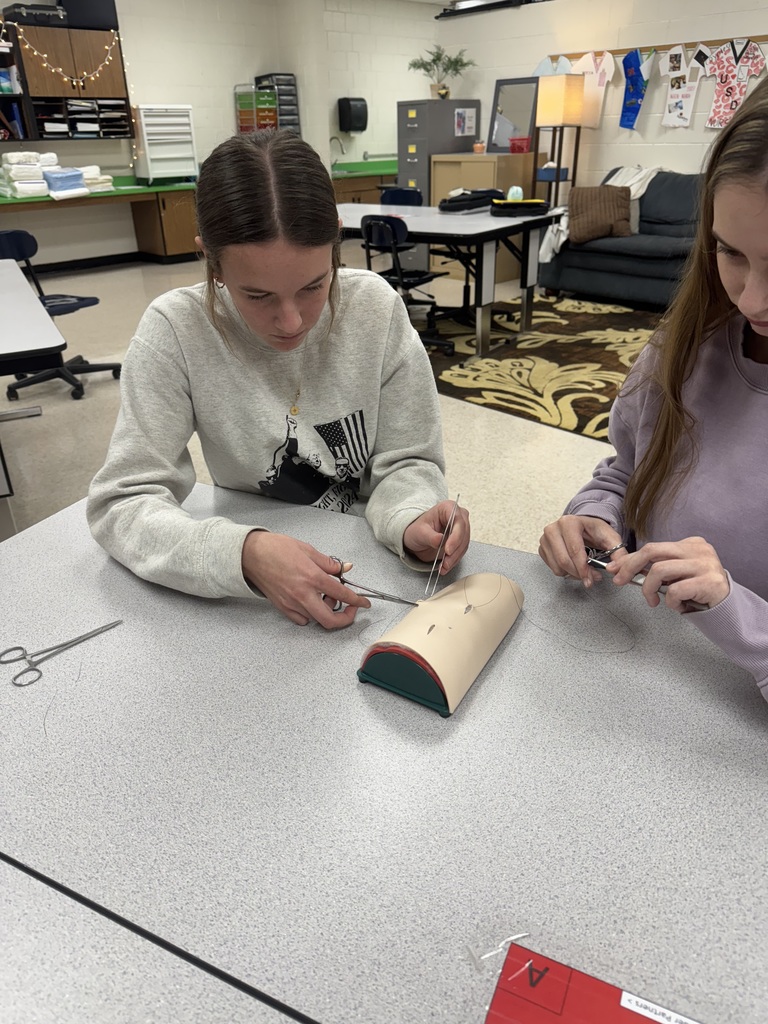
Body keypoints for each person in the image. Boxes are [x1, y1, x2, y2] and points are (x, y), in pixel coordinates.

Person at [87, 129, 470, 629]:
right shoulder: (175, 331)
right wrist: (242, 553)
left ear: (335, 239)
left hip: (374, 564)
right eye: (257, 295)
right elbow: (122, 501)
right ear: (211, 259)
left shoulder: (375, 309)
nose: (291, 322)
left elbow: (408, 460)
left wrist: (413, 514)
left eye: (314, 286)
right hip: (251, 585)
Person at [538, 78, 768, 702]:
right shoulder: (684, 346)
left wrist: (731, 609)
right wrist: (592, 516)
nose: (750, 301)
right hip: (630, 688)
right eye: (731, 252)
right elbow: (626, 469)